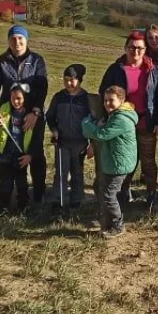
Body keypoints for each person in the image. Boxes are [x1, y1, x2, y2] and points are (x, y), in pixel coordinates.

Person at [98, 31, 158, 207]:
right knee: (124, 159)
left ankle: (151, 193)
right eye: (131, 47)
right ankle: (124, 191)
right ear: (125, 48)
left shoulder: (154, 70)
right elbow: (103, 93)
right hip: (122, 124)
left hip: (147, 122)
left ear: (145, 50)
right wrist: (105, 117)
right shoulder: (115, 70)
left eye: (139, 48)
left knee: (148, 160)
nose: (135, 52)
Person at [0, 25, 49, 203]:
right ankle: (11, 190)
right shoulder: (1, 62)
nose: (17, 42)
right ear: (8, 41)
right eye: (13, 39)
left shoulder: (37, 60)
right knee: (10, 150)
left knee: (35, 152)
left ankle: (39, 191)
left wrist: (35, 112)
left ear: (26, 40)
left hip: (32, 113)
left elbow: (42, 88)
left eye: (20, 38)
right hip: (10, 113)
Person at [82, 85, 138, 239]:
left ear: (121, 100)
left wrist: (87, 124)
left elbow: (102, 134)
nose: (107, 104)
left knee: (108, 194)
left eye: (111, 100)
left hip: (119, 164)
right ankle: (110, 220)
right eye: (105, 100)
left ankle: (118, 226)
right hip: (116, 161)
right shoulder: (117, 114)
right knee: (103, 189)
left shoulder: (121, 119)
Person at [0, 83, 43, 214]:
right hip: (5, 154)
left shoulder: (32, 116)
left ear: (25, 98)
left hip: (21, 155)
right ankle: (3, 207)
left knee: (22, 183)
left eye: (19, 98)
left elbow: (37, 139)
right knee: (5, 183)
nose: (15, 101)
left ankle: (23, 206)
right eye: (13, 98)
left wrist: (30, 155)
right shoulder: (5, 109)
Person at [45, 64, 93, 211]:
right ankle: (58, 201)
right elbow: (50, 116)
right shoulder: (59, 97)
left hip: (80, 143)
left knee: (77, 172)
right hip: (62, 142)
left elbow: (93, 121)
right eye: (66, 80)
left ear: (80, 80)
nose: (68, 83)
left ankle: (76, 200)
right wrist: (53, 129)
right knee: (61, 172)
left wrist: (92, 143)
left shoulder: (86, 99)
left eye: (72, 80)